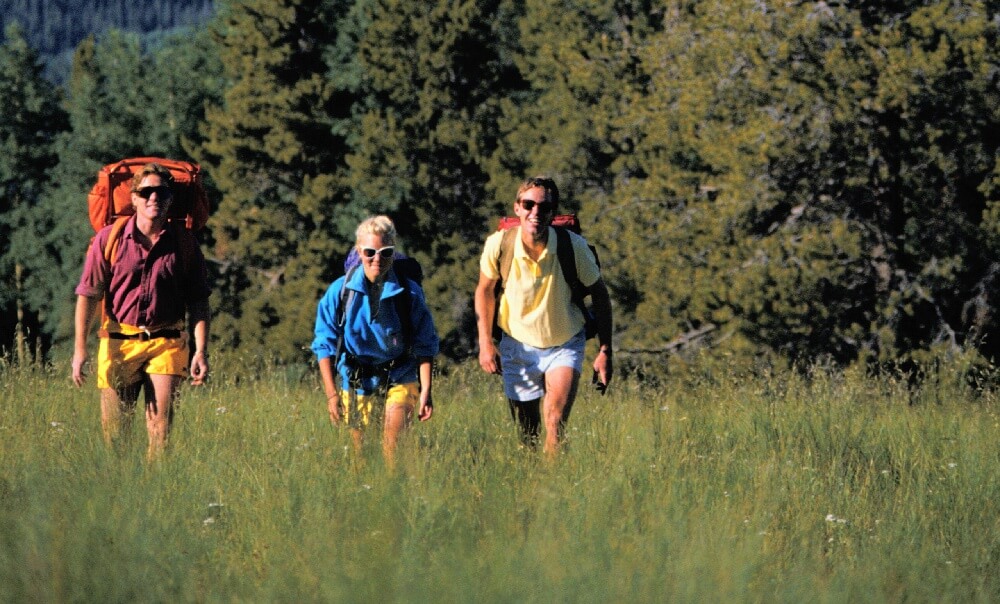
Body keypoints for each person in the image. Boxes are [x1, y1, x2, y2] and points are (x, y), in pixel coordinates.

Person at [72, 162, 211, 461]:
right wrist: (80, 349)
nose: (153, 198)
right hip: (118, 340)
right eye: (145, 191)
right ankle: (117, 493)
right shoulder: (109, 239)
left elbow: (199, 300)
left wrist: (201, 350)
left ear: (170, 198)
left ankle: (155, 493)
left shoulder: (185, 243)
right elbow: (88, 294)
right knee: (115, 436)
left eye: (161, 192)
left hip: (167, 341)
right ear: (133, 198)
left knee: (161, 432)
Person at [474, 176, 613, 457]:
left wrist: (605, 350)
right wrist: (486, 344)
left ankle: (552, 488)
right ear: (517, 208)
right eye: (529, 204)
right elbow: (485, 291)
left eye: (544, 207)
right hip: (516, 344)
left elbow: (600, 294)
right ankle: (531, 485)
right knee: (527, 432)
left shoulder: (573, 247)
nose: (535, 212)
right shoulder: (499, 245)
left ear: (553, 213)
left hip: (564, 343)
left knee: (554, 420)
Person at [312, 215, 439, 463]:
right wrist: (331, 394)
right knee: (360, 457)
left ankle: (396, 494)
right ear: (359, 251)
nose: (377, 259)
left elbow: (426, 343)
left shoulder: (409, 292)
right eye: (370, 252)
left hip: (401, 375)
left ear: (393, 253)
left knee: (393, 448)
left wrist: (426, 390)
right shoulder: (340, 291)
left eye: (385, 252)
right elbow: (323, 343)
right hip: (356, 379)